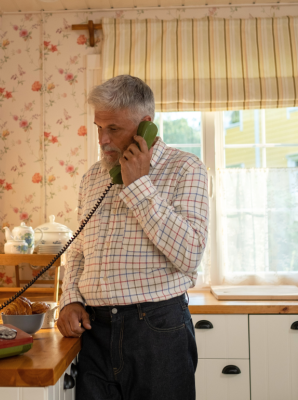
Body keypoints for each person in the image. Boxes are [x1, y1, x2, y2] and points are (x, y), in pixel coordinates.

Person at [57, 74, 209, 400]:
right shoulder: (92, 178)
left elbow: (190, 253)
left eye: (113, 129)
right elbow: (79, 251)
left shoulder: (186, 168)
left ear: (145, 125)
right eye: (99, 127)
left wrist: (139, 185)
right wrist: (69, 298)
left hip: (157, 330)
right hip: (95, 332)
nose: (102, 139)